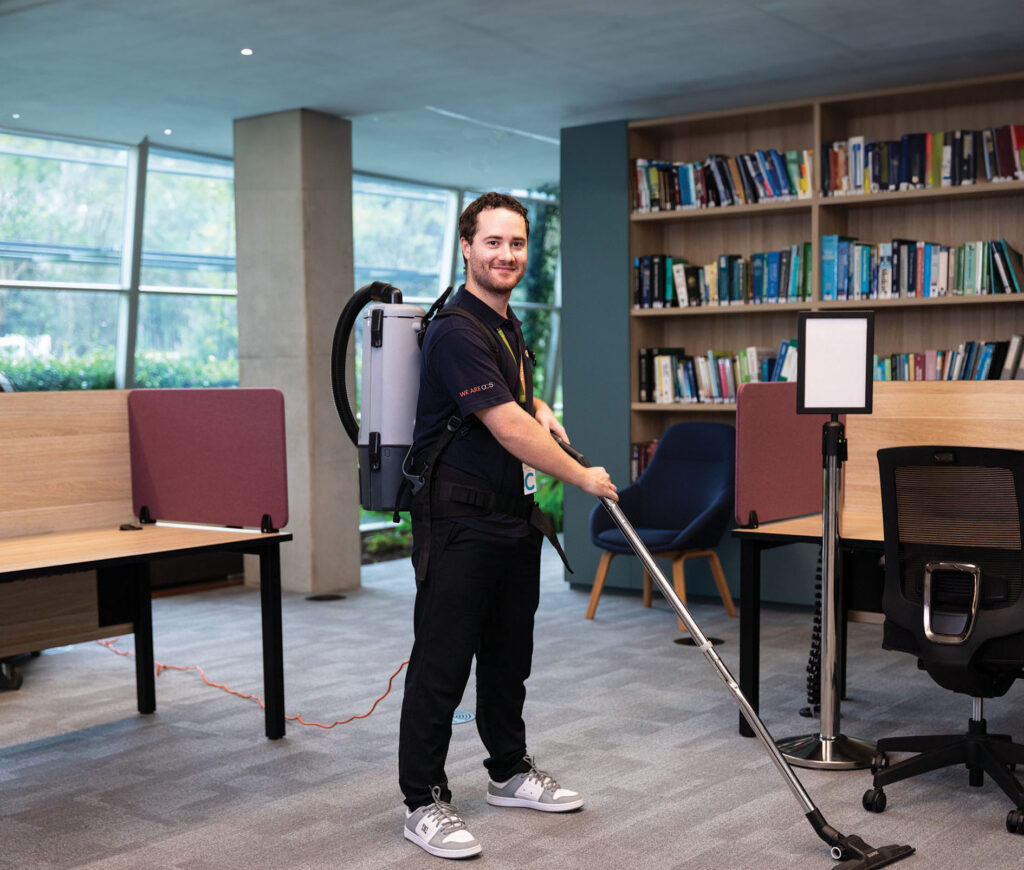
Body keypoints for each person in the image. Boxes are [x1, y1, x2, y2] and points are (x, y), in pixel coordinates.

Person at [398, 192, 618, 859]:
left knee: (506, 658)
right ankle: (423, 801)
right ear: (466, 246)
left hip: (511, 518)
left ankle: (508, 770)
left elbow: (516, 401)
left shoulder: (503, 322)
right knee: (443, 663)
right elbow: (507, 426)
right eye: (493, 242)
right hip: (459, 520)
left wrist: (541, 402)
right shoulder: (457, 328)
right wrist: (581, 477)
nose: (506, 255)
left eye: (517, 244)